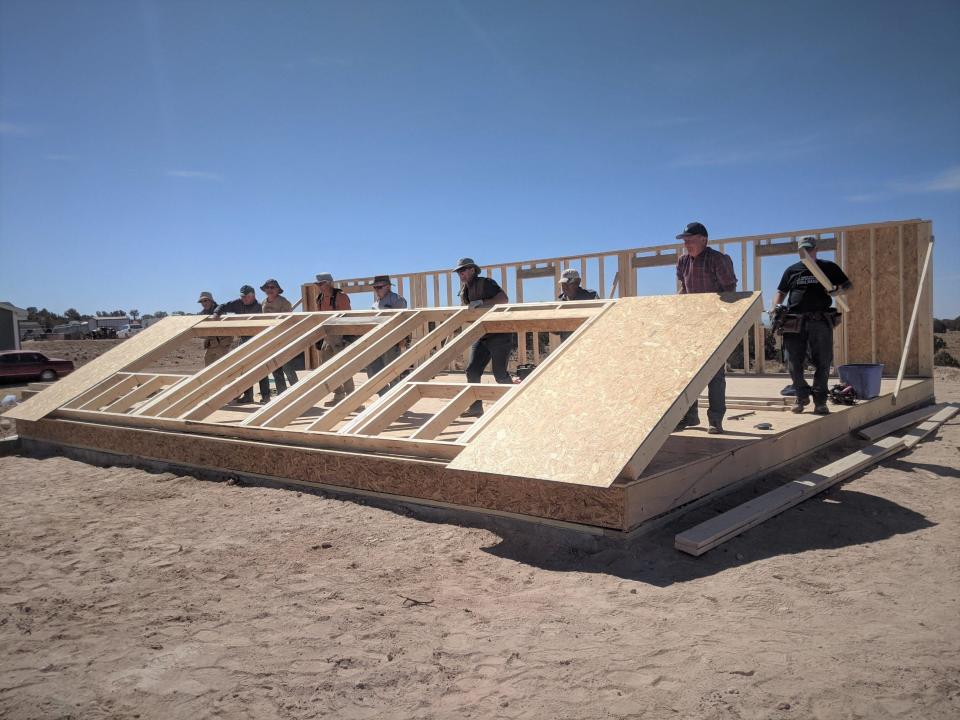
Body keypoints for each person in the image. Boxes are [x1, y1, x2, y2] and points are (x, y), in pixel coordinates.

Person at [771, 236, 852, 415]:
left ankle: (820, 401)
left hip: (819, 320)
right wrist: (775, 307)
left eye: (809, 249)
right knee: (792, 361)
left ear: (816, 249)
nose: (806, 252)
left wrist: (837, 290)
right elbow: (781, 291)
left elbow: (847, 285)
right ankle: (801, 395)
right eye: (803, 250)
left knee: (823, 361)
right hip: (794, 321)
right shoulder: (792, 270)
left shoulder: (827, 267)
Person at [674, 222, 738, 434]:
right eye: (684, 240)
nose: (686, 244)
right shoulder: (683, 261)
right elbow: (684, 288)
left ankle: (715, 419)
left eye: (690, 240)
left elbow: (730, 291)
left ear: (704, 239)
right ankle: (690, 415)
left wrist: (722, 320)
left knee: (715, 375)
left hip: (715, 323)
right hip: (692, 323)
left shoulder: (718, 260)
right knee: (689, 372)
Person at [455, 257, 510, 417]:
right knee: (472, 370)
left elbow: (504, 299)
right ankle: (475, 407)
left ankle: (515, 403)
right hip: (482, 333)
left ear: (472, 270)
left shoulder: (486, 283)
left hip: (499, 333)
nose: (461, 274)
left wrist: (482, 302)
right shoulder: (464, 290)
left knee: (499, 374)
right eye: (459, 271)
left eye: (463, 270)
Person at [214, 285, 269, 404]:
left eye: (246, 297)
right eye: (242, 297)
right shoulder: (237, 303)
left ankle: (266, 396)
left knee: (260, 368)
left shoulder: (260, 307)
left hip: (258, 340)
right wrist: (217, 312)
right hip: (244, 339)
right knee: (244, 369)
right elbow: (224, 306)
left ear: (253, 296)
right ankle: (248, 396)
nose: (244, 299)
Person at [314, 272, 355, 404]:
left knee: (343, 367)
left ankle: (352, 398)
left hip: (340, 335)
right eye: (318, 284)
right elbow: (320, 319)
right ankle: (338, 395)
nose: (320, 286)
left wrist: (346, 338)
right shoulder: (319, 298)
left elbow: (348, 318)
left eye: (322, 283)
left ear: (330, 283)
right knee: (328, 368)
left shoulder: (341, 297)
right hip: (328, 336)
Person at [366, 275, 408, 396]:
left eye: (379, 287)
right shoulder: (375, 304)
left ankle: (394, 400)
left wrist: (401, 339)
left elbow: (403, 321)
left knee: (392, 373)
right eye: (375, 287)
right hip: (377, 341)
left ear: (388, 287)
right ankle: (384, 397)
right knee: (374, 371)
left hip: (392, 341)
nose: (376, 290)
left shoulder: (397, 300)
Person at [260, 278, 299, 394]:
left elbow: (288, 321)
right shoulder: (263, 302)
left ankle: (296, 392)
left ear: (277, 289)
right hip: (270, 339)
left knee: (288, 367)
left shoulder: (284, 302)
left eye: (272, 287)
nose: (270, 290)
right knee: (275, 368)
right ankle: (282, 394)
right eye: (267, 287)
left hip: (283, 339)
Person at [557, 268, 599, 342]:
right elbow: (555, 330)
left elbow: (599, 320)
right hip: (567, 347)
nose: (565, 287)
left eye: (568, 283)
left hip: (588, 344)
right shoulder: (560, 302)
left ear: (578, 282)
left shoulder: (591, 297)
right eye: (563, 284)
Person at [197, 291, 232, 366]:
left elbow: (225, 327)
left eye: (205, 300)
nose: (203, 303)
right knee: (208, 362)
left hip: (222, 343)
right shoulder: (201, 314)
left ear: (211, 300)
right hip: (212, 344)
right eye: (201, 301)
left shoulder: (220, 310)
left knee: (223, 366)